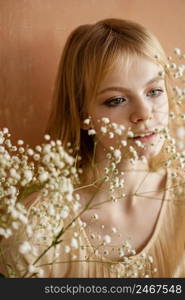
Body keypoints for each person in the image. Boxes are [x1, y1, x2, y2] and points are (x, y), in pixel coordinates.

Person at [0, 18, 185, 278]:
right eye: (116, 100)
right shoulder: (36, 229)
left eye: (154, 91)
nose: (144, 113)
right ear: (80, 112)